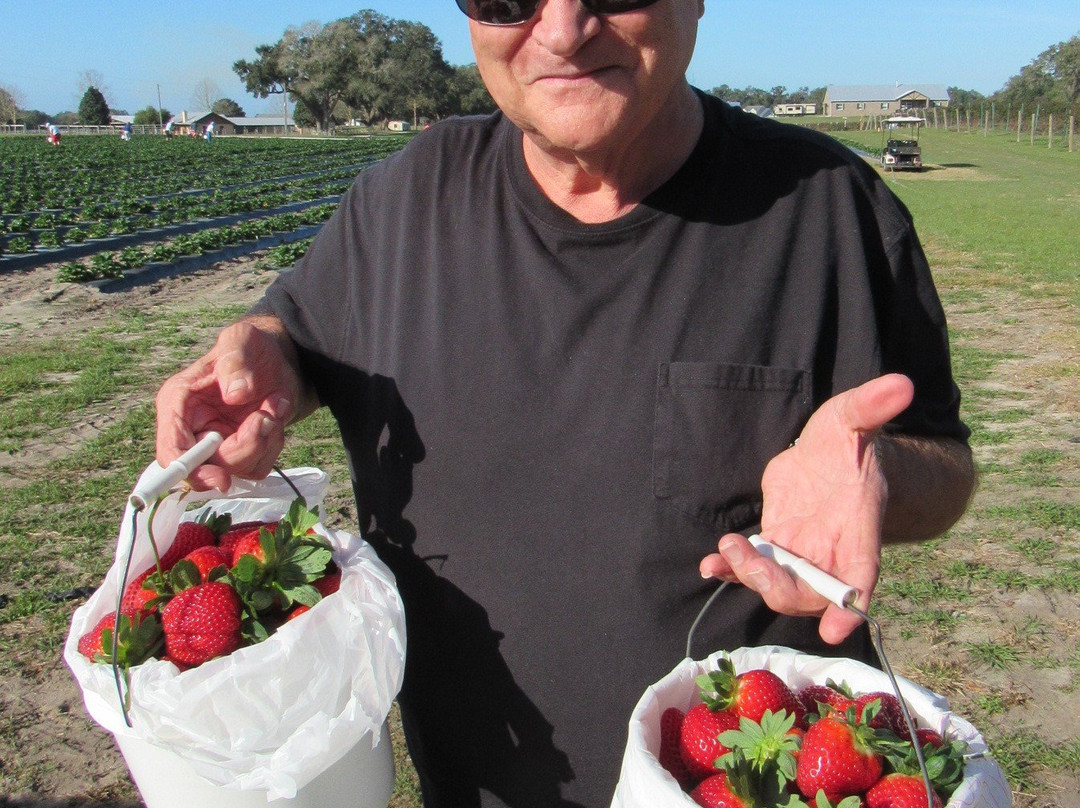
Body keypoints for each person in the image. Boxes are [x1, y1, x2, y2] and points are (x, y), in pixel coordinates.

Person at [154, 1, 975, 806]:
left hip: (744, 783)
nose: (561, 29)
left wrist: (878, 475)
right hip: (475, 784)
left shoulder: (831, 208)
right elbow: (300, 336)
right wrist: (266, 357)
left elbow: (943, 463)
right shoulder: (401, 204)